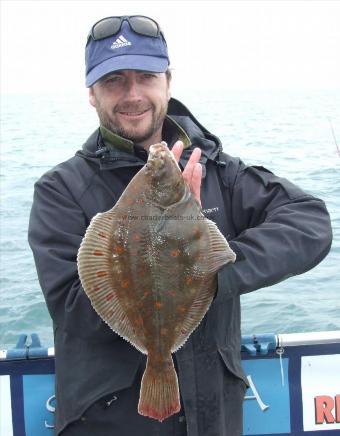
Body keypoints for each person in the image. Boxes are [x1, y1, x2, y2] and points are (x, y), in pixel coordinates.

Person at [28, 15, 332, 436]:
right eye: (115, 80)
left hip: (214, 419)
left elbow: (310, 224)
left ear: (167, 83)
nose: (132, 94)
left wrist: (211, 268)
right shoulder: (60, 190)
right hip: (111, 423)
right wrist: (161, 246)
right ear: (92, 95)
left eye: (146, 77)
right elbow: (72, 308)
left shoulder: (219, 171)